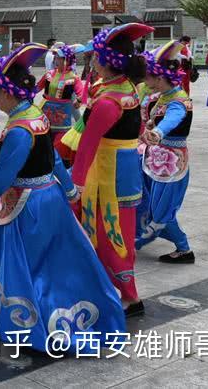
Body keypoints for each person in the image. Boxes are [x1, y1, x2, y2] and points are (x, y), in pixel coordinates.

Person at [0, 44, 125, 353]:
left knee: (26, 267)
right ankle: (57, 315)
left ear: (7, 93)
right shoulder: (37, 116)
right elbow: (54, 159)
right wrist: (69, 190)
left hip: (28, 206)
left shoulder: (19, 129)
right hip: (49, 198)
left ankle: (29, 326)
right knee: (51, 263)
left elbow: (1, 179)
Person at [73, 22, 154, 317]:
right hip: (122, 167)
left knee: (111, 235)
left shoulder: (108, 101)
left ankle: (129, 296)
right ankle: (108, 288)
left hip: (108, 175)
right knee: (116, 231)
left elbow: (88, 144)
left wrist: (76, 183)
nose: (92, 60)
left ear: (106, 61)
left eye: (96, 55)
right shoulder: (125, 88)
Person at [136, 41, 195, 263]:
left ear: (159, 77)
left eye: (147, 76)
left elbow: (174, 118)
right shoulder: (162, 96)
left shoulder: (179, 101)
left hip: (172, 163)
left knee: (162, 211)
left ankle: (184, 249)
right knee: (152, 206)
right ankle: (175, 244)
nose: (145, 80)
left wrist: (159, 131)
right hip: (157, 159)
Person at [37, 43, 82, 151]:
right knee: (45, 139)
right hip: (46, 110)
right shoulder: (49, 74)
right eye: (55, 57)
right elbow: (37, 88)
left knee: (59, 143)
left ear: (67, 60)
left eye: (59, 58)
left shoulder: (73, 77)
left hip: (62, 114)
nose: (56, 60)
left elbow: (81, 92)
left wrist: (78, 100)